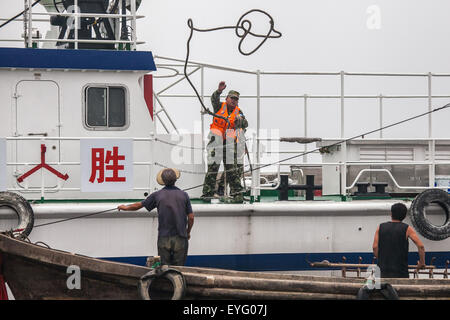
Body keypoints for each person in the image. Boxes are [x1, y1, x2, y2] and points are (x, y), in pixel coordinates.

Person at [118, 168, 194, 266]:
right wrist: (188, 233)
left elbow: (139, 205)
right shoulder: (184, 195)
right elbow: (191, 217)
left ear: (163, 181)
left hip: (164, 237)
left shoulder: (157, 195)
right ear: (175, 180)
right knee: (179, 268)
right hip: (181, 236)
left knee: (164, 268)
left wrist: (125, 207)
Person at [201, 81, 248, 203]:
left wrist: (240, 120)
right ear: (226, 98)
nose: (233, 101)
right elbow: (214, 99)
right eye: (231, 98)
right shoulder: (219, 106)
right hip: (215, 141)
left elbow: (245, 124)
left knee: (232, 170)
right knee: (213, 168)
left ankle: (237, 193)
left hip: (230, 143)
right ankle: (207, 193)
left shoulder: (239, 112)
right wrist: (219, 91)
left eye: (236, 99)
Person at [372, 202, 426, 278]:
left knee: (383, 289)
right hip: (400, 271)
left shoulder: (380, 227)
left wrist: (382, 259)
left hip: (382, 271)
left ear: (391, 214)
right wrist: (422, 263)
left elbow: (375, 247)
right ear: (404, 216)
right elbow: (421, 246)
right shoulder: (407, 228)